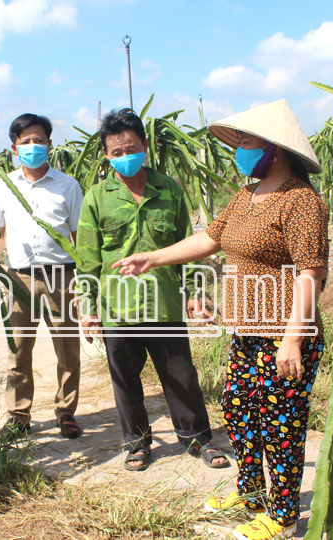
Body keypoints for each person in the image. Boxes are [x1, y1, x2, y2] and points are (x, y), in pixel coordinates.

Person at [112, 100, 328, 540]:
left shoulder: (301, 201)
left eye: (247, 142)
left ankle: (283, 516)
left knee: (279, 423)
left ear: (275, 149)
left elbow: (312, 274)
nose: (241, 150)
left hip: (286, 334)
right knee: (240, 411)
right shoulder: (246, 196)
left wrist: (291, 341)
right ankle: (251, 494)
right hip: (248, 332)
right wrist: (154, 257)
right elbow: (209, 238)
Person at [75, 108, 229, 471]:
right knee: (125, 381)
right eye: (116, 151)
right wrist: (88, 307)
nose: (125, 156)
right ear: (106, 155)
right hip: (117, 308)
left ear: (144, 145)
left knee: (181, 376)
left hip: (164, 304)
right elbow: (87, 259)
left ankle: (197, 439)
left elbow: (188, 248)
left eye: (131, 148)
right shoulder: (97, 198)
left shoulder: (169, 190)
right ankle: (136, 443)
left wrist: (194, 292)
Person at [0, 113, 84, 440]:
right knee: (19, 349)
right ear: (15, 148)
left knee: (67, 348)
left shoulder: (68, 186)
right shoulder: (5, 185)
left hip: (61, 276)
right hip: (19, 279)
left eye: (39, 140)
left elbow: (78, 236)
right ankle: (18, 416)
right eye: (25, 141)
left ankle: (66, 411)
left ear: (50, 144)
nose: (33, 146)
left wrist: (84, 282)